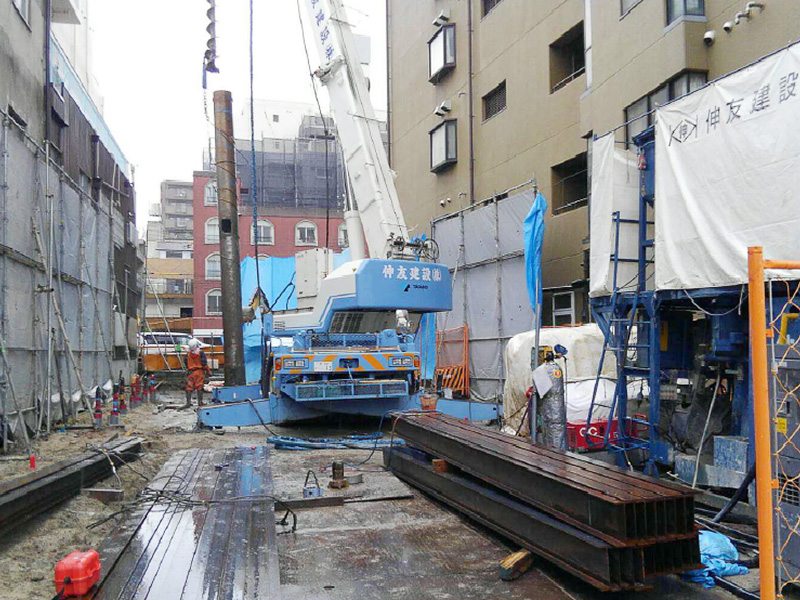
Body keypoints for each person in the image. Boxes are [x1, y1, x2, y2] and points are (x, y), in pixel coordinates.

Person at [184, 339, 211, 409]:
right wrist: (208, 371)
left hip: (191, 372)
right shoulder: (200, 353)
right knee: (199, 387)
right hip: (199, 372)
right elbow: (204, 363)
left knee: (189, 387)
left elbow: (186, 363)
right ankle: (200, 402)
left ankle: (188, 403)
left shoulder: (188, 354)